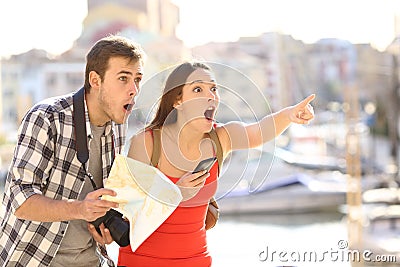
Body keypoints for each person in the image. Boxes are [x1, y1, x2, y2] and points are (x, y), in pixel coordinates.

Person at [117, 61, 315, 267]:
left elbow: (260, 131)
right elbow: (131, 214)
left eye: (213, 88)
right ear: (177, 101)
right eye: (197, 89)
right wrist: (176, 193)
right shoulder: (146, 143)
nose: (210, 95)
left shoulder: (221, 138)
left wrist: (289, 115)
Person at [0, 35, 145, 267]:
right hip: (34, 260)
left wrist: (103, 227)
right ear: (95, 80)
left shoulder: (118, 124)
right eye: (123, 79)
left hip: (92, 260)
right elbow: (20, 200)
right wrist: (80, 209)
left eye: (137, 79)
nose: (133, 90)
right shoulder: (47, 118)